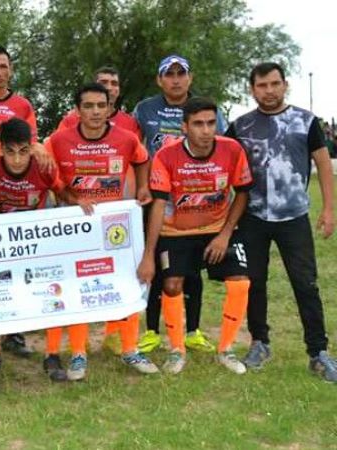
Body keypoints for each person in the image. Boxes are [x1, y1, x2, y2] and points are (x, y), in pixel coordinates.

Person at [226, 62, 337, 381]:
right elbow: (224, 165)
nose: (269, 91)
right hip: (253, 217)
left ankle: (318, 352)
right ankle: (260, 343)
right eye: (262, 85)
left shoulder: (306, 121)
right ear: (252, 89)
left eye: (275, 84)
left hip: (294, 217)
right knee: (253, 283)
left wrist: (329, 209)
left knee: (306, 284)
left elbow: (323, 165)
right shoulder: (240, 125)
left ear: (285, 85)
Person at [44, 83, 157, 381]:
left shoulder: (127, 138)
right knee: (77, 284)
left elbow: (142, 159)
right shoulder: (58, 140)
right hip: (77, 223)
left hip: (114, 223)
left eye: (100, 105)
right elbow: (51, 178)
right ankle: (79, 353)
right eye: (88, 106)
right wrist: (71, 198)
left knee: (126, 279)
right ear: (77, 110)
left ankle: (130, 348)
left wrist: (143, 186)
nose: (95, 111)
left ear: (109, 108)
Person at [136, 97, 253, 375]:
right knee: (172, 285)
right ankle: (177, 350)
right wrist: (148, 256)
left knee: (240, 283)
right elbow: (158, 205)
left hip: (218, 229)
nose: (206, 130)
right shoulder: (166, 156)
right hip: (175, 232)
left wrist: (225, 235)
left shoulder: (232, 149)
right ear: (184, 127)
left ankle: (225, 349)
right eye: (198, 124)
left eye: (211, 123)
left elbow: (243, 193)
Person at [132, 54, 227, 354]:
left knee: (191, 269)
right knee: (158, 266)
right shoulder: (144, 109)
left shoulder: (206, 111)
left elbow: (219, 148)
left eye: (180, 73)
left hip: (196, 200)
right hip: (157, 198)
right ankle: (150, 330)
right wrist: (143, 185)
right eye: (169, 74)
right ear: (160, 80)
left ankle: (194, 331)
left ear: (190, 78)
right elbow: (136, 151)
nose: (175, 79)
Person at [0, 118, 73, 377]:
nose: (16, 160)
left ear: (31, 148)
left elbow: (63, 194)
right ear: (0, 148)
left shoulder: (44, 166)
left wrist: (83, 206)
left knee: (50, 291)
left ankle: (52, 356)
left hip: (35, 236)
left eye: (23, 151)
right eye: (10, 152)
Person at [56, 66, 141, 138]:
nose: (109, 88)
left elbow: (139, 154)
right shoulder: (71, 120)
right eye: (104, 82)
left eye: (114, 83)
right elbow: (53, 146)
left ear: (118, 90)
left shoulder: (130, 123)